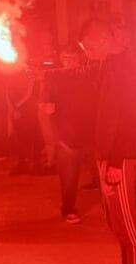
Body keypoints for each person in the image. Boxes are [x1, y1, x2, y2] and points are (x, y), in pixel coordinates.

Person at [79, 17, 136, 264]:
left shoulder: (125, 68)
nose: (86, 50)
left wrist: (117, 161)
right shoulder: (106, 67)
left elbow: (131, 118)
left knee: (128, 226)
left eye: (89, 44)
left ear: (104, 39)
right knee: (116, 224)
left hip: (121, 157)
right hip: (107, 156)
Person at [39, 44, 97, 223]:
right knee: (69, 178)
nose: (70, 61)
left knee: (103, 174)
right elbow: (44, 107)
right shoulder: (53, 78)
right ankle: (68, 209)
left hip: (91, 134)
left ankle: (111, 206)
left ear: (80, 58)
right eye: (66, 57)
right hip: (66, 137)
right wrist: (49, 141)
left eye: (73, 57)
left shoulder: (89, 75)